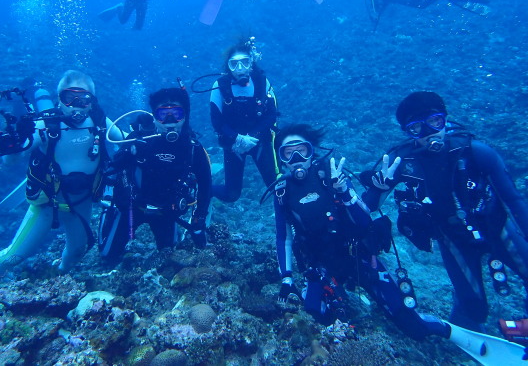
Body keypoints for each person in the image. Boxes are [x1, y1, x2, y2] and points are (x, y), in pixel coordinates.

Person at [361, 91, 528, 332]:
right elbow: (370, 206)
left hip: (498, 228)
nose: (429, 132)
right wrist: (378, 187)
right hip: (452, 239)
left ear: (445, 120)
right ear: (408, 132)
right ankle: (465, 325)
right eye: (417, 128)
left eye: (435, 121)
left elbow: (513, 200)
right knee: (473, 309)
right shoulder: (401, 162)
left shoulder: (475, 152)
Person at [273, 123, 451, 341]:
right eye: (288, 153)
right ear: (282, 159)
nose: (296, 159)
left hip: (359, 257)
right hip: (320, 265)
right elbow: (283, 237)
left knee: (414, 327)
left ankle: (445, 328)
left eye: (302, 151)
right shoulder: (282, 191)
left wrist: (343, 191)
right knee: (315, 319)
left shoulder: (332, 175)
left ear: (312, 151)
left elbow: (364, 220)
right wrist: (287, 279)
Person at [0, 70, 124, 283]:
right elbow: (11, 160)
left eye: (84, 98)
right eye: (70, 97)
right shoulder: (45, 124)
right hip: (48, 203)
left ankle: (60, 278)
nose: (77, 105)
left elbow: (123, 140)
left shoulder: (99, 120)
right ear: (59, 99)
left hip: (81, 200)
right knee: (14, 256)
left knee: (78, 250)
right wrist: (14, 143)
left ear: (92, 102)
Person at [98, 86, 212, 261]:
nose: (169, 120)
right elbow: (113, 167)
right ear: (154, 117)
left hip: (165, 211)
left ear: (185, 116)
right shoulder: (141, 139)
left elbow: (205, 185)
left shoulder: (192, 149)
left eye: (176, 113)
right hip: (132, 206)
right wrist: (130, 150)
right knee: (107, 255)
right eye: (162, 114)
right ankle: (108, 214)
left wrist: (199, 219)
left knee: (169, 256)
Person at [210, 37, 278, 202]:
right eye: (234, 64)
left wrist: (252, 136)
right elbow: (216, 121)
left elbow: (272, 114)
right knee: (231, 194)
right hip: (234, 145)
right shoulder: (220, 86)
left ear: (251, 63)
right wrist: (237, 138)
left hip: (259, 141)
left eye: (245, 62)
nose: (240, 68)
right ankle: (204, 188)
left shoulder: (262, 82)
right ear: (228, 66)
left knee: (276, 187)